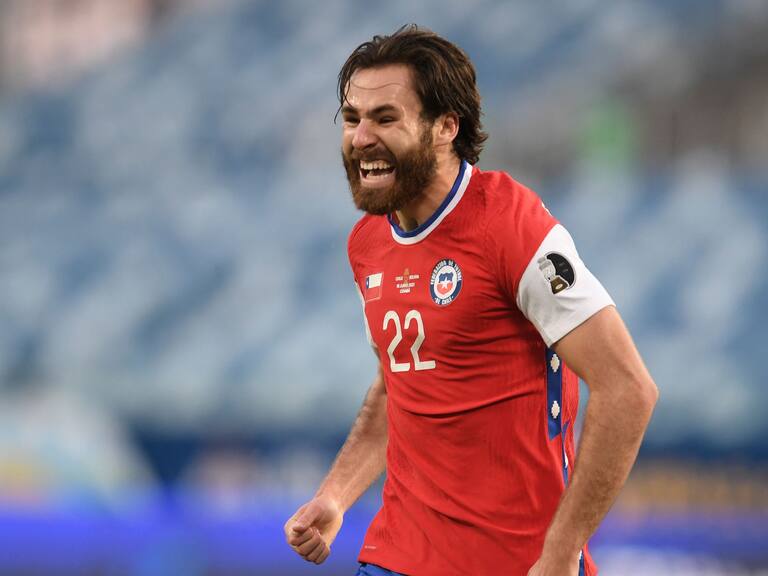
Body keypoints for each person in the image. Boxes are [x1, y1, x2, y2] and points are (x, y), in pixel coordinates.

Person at [284, 24, 658, 576]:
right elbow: (401, 384)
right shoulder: (366, 243)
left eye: (386, 118)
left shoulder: (511, 224)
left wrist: (561, 553)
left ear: (445, 128)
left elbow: (628, 389)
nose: (361, 137)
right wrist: (336, 495)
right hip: (395, 556)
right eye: (352, 119)